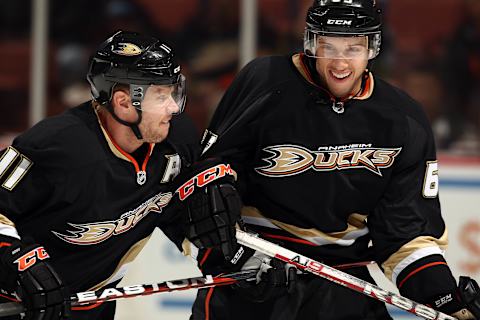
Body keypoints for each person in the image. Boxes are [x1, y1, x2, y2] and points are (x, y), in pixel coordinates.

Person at [173, 1, 480, 319]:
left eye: (353, 48)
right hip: (258, 270)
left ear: (373, 47)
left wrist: (443, 298)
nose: (339, 62)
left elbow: (405, 232)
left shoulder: (403, 120)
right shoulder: (265, 83)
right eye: (327, 46)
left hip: (343, 277)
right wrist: (237, 257)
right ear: (310, 44)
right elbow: (208, 182)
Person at [0, 30, 199, 320]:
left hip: (93, 302)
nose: (172, 107)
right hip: (19, 305)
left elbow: (188, 219)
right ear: (124, 102)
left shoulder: (177, 140)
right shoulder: (55, 146)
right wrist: (19, 261)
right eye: (161, 95)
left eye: (173, 93)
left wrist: (237, 252)